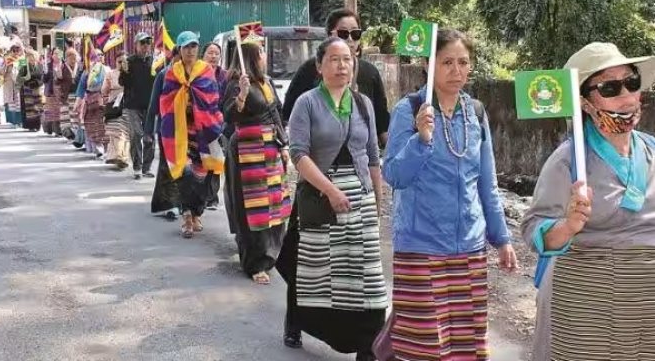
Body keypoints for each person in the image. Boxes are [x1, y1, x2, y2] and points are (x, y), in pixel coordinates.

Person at [382, 29, 517, 360]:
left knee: (465, 348)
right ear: (429, 65)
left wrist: (501, 239)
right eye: (447, 62)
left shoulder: (477, 113)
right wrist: (422, 138)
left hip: (468, 250)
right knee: (425, 348)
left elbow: (486, 183)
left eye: (463, 62)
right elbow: (394, 175)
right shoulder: (409, 109)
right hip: (421, 246)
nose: (457, 71)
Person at [521, 42, 655, 361]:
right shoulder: (568, 161)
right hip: (585, 304)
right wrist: (568, 226)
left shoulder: (652, 150)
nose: (625, 94)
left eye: (631, 82)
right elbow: (533, 229)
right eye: (609, 87)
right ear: (586, 102)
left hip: (647, 307)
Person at [276, 37, 386, 361]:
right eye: (335, 59)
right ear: (319, 66)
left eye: (348, 59)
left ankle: (367, 345)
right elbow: (298, 154)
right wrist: (331, 190)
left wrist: (377, 202)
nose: (343, 65)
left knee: (366, 275)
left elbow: (373, 157)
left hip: (360, 201)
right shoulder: (307, 103)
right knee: (318, 272)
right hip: (321, 198)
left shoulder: (363, 103)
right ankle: (298, 320)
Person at [222, 41, 290, 284]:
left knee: (275, 205)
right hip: (246, 151)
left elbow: (276, 115)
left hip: (270, 149)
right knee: (253, 209)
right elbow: (228, 116)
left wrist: (284, 145)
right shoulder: (236, 82)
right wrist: (241, 95)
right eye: (260, 52)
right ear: (250, 57)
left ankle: (270, 255)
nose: (265, 55)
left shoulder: (267, 82)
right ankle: (254, 262)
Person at [282, 8, 390, 147]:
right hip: (319, 158)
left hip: (359, 159)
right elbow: (289, 114)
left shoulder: (370, 73)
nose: (350, 39)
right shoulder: (309, 71)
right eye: (343, 33)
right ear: (329, 36)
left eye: (355, 34)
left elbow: (381, 123)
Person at [158, 31, 223, 239]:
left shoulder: (205, 72)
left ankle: (197, 212)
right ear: (179, 49)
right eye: (186, 47)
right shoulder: (171, 73)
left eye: (194, 46)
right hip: (179, 134)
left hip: (202, 134)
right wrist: (181, 100)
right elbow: (165, 101)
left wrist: (195, 102)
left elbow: (213, 99)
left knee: (202, 178)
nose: (190, 51)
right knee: (184, 174)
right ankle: (186, 215)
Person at [147, 47, 181, 220]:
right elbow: (154, 104)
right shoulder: (163, 75)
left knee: (179, 166)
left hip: (184, 129)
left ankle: (172, 202)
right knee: (167, 166)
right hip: (165, 129)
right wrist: (148, 131)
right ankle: (171, 204)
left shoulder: (191, 76)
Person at [120, 32, 155, 180]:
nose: (145, 46)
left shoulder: (154, 61)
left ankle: (146, 167)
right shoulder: (129, 61)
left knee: (149, 137)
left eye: (148, 42)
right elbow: (123, 82)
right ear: (136, 45)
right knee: (136, 135)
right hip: (132, 105)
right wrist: (125, 71)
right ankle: (137, 166)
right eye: (142, 43)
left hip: (150, 104)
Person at [202, 42, 228, 210]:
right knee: (201, 160)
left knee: (216, 160)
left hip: (218, 123)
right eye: (210, 53)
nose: (213, 56)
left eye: (216, 53)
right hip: (200, 122)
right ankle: (200, 196)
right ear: (203, 56)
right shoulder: (197, 74)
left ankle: (212, 197)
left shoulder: (225, 76)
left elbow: (226, 99)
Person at [75, 49, 107, 158]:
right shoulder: (87, 71)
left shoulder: (106, 69)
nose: (100, 57)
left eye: (101, 55)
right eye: (97, 55)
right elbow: (81, 88)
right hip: (89, 101)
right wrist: (78, 103)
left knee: (101, 125)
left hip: (102, 101)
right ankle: (97, 146)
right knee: (90, 125)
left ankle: (102, 147)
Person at [104, 51, 131, 170]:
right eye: (119, 61)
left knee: (125, 132)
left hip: (127, 105)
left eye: (124, 61)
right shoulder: (110, 74)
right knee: (115, 131)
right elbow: (103, 90)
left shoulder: (131, 73)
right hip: (114, 106)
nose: (121, 64)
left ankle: (122, 157)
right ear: (115, 62)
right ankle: (115, 156)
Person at [16, 48, 44, 132]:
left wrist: (38, 82)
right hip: (27, 90)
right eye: (29, 57)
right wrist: (26, 80)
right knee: (30, 109)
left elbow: (42, 77)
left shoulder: (40, 66)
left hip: (37, 90)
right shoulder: (24, 67)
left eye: (33, 56)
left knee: (38, 107)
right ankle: (30, 125)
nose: (31, 58)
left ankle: (37, 125)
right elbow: (19, 78)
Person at [58, 48, 82, 141]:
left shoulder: (79, 67)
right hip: (65, 95)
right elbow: (57, 81)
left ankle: (76, 134)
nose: (73, 60)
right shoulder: (62, 67)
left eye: (74, 58)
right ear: (67, 58)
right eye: (71, 58)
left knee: (75, 115)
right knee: (66, 116)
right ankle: (68, 134)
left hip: (76, 94)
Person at [2, 43, 22, 127]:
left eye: (17, 51)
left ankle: (19, 121)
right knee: (10, 102)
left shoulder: (22, 60)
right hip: (9, 83)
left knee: (19, 103)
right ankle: (11, 121)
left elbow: (25, 72)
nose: (15, 53)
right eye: (14, 51)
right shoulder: (7, 60)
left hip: (19, 83)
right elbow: (2, 72)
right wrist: (6, 66)